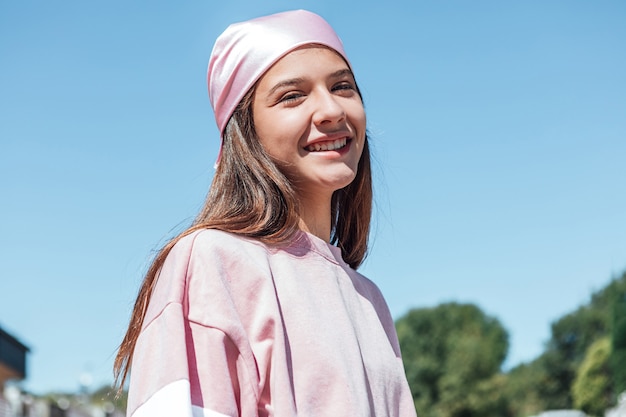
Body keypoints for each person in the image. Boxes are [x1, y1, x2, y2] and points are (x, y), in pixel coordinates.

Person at [114, 9, 417, 417]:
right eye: (292, 95)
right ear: (245, 129)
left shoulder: (370, 301)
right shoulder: (210, 262)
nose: (331, 109)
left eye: (343, 87)